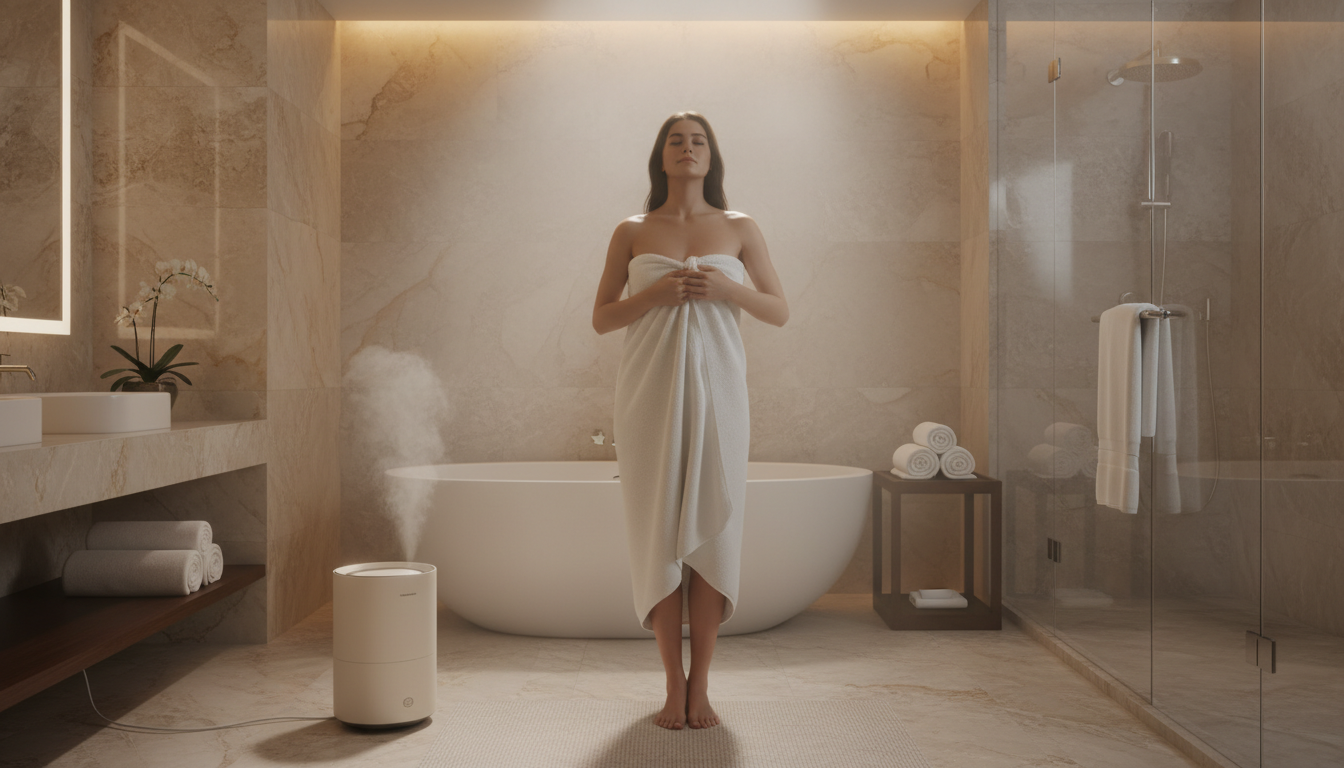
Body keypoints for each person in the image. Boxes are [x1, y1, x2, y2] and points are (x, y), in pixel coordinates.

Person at [591, 111, 789, 730]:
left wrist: (726, 291)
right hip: (649, 398)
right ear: (661, 155)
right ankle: (670, 684)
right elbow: (602, 318)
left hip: (721, 399)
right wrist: (654, 295)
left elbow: (778, 310)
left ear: (711, 156)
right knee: (659, 537)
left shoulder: (739, 226)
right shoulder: (631, 229)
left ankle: (701, 685)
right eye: (676, 140)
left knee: (710, 538)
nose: (687, 148)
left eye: (698, 140)